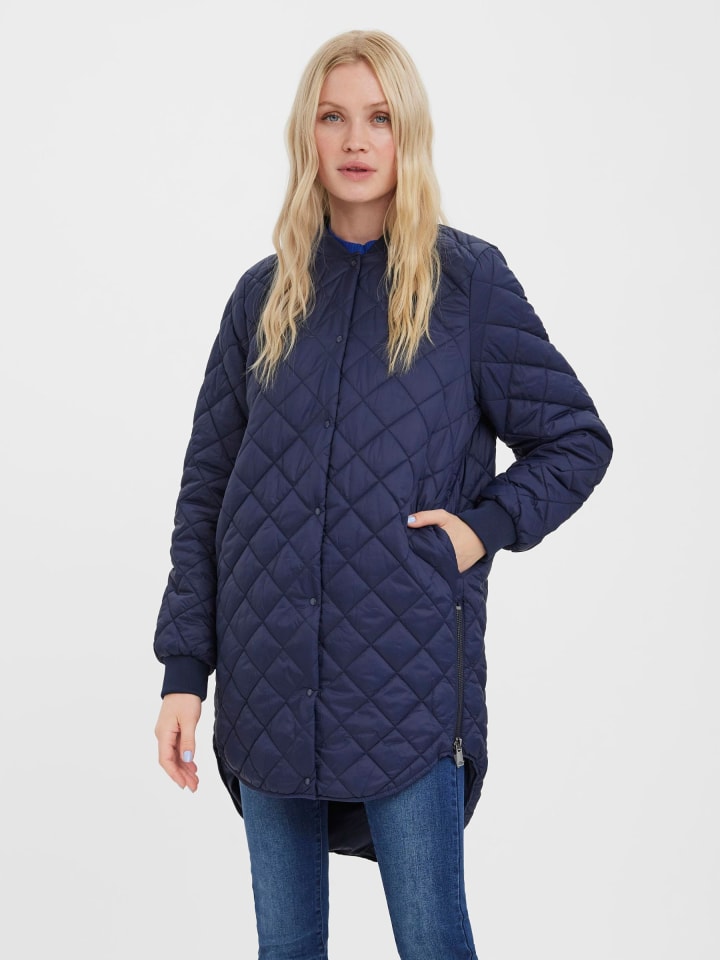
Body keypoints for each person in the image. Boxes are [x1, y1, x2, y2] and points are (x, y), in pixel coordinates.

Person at [153, 28, 612, 960]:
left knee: (433, 940)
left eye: (379, 117)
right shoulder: (261, 298)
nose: (356, 140)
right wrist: (183, 672)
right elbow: (206, 494)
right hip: (269, 681)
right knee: (287, 948)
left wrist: (482, 529)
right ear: (307, 134)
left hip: (407, 682)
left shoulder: (468, 284)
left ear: (410, 133)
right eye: (334, 117)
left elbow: (576, 440)